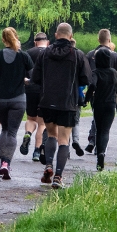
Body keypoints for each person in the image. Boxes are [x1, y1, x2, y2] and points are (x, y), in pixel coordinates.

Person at [30, 22, 91, 189]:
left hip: (47, 101)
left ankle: (48, 164)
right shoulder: (77, 55)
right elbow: (86, 78)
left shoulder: (45, 54)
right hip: (68, 103)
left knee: (51, 136)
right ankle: (58, 176)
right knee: (64, 140)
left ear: (56, 35)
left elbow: (35, 77)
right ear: (70, 37)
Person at [0, 27, 34, 178]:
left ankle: (2, 159)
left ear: (3, 40)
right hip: (18, 99)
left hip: (0, 99)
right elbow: (33, 77)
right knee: (13, 132)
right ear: (16, 37)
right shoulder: (24, 56)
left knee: (4, 130)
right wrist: (26, 81)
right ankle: (6, 163)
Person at [84, 29, 117, 153]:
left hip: (95, 93)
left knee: (97, 117)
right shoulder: (115, 56)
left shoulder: (90, 55)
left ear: (98, 39)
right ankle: (99, 148)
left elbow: (85, 73)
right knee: (105, 125)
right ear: (109, 40)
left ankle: (93, 139)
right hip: (110, 95)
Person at [84, 47, 117, 170]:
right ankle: (102, 151)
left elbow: (92, 84)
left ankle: (99, 156)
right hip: (111, 103)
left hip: (98, 104)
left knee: (98, 129)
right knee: (105, 130)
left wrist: (87, 99)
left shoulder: (95, 72)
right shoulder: (113, 72)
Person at [21, 32, 49, 162]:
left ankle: (28, 133)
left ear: (35, 42)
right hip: (45, 90)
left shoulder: (28, 53)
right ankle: (37, 151)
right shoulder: (50, 53)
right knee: (42, 123)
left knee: (31, 118)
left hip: (31, 89)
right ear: (47, 42)